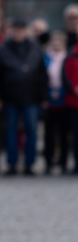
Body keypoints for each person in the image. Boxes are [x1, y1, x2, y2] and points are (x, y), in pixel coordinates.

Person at [0, 19, 48, 176]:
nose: (18, 33)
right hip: (9, 97)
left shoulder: (35, 48)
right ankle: (12, 163)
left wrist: (43, 96)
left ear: (26, 30)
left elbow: (42, 74)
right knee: (11, 131)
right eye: (16, 29)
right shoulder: (3, 49)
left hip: (31, 96)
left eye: (21, 29)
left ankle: (29, 164)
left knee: (31, 131)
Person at [43, 31, 69, 174]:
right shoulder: (45, 57)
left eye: (59, 42)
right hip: (49, 98)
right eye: (54, 41)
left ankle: (64, 162)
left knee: (64, 133)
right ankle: (48, 161)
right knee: (49, 133)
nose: (56, 44)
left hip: (65, 98)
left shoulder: (68, 57)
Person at [62, 36, 78, 174]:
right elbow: (66, 74)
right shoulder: (72, 54)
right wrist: (74, 88)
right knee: (75, 135)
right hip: (74, 101)